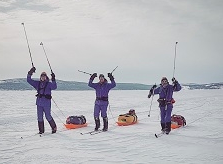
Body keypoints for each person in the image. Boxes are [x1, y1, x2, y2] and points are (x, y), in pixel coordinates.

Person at [27, 67, 57, 134]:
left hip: (46, 103)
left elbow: (55, 87)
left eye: (44, 76)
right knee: (39, 117)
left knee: (48, 116)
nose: (43, 77)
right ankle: (41, 131)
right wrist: (30, 72)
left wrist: (53, 79)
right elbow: (28, 80)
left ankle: (54, 127)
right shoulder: (37, 83)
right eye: (42, 76)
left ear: (46, 77)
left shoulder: (49, 84)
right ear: (40, 77)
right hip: (39, 103)